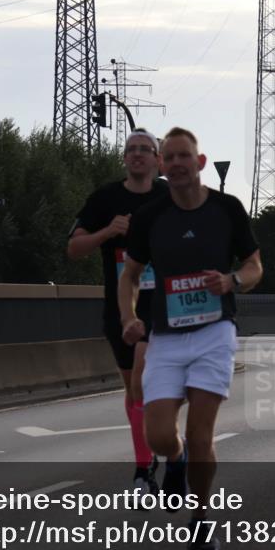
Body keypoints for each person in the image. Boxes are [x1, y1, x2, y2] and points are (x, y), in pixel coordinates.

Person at [119, 127, 262, 550]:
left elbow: (255, 266)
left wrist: (232, 280)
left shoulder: (227, 209)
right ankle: (174, 461)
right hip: (165, 335)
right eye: (170, 157)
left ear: (200, 163)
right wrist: (129, 317)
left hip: (215, 332)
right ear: (162, 166)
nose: (178, 163)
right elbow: (129, 275)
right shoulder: (151, 218)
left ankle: (201, 519)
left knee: (202, 435)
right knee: (160, 435)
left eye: (186, 156)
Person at [67, 128, 167, 500]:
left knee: (143, 377)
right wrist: (108, 231)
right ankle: (152, 457)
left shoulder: (170, 196)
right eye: (131, 149)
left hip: (166, 306)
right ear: (124, 158)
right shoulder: (105, 199)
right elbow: (74, 248)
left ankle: (144, 469)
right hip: (121, 307)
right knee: (133, 388)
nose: (137, 154)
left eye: (145, 149)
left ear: (158, 159)